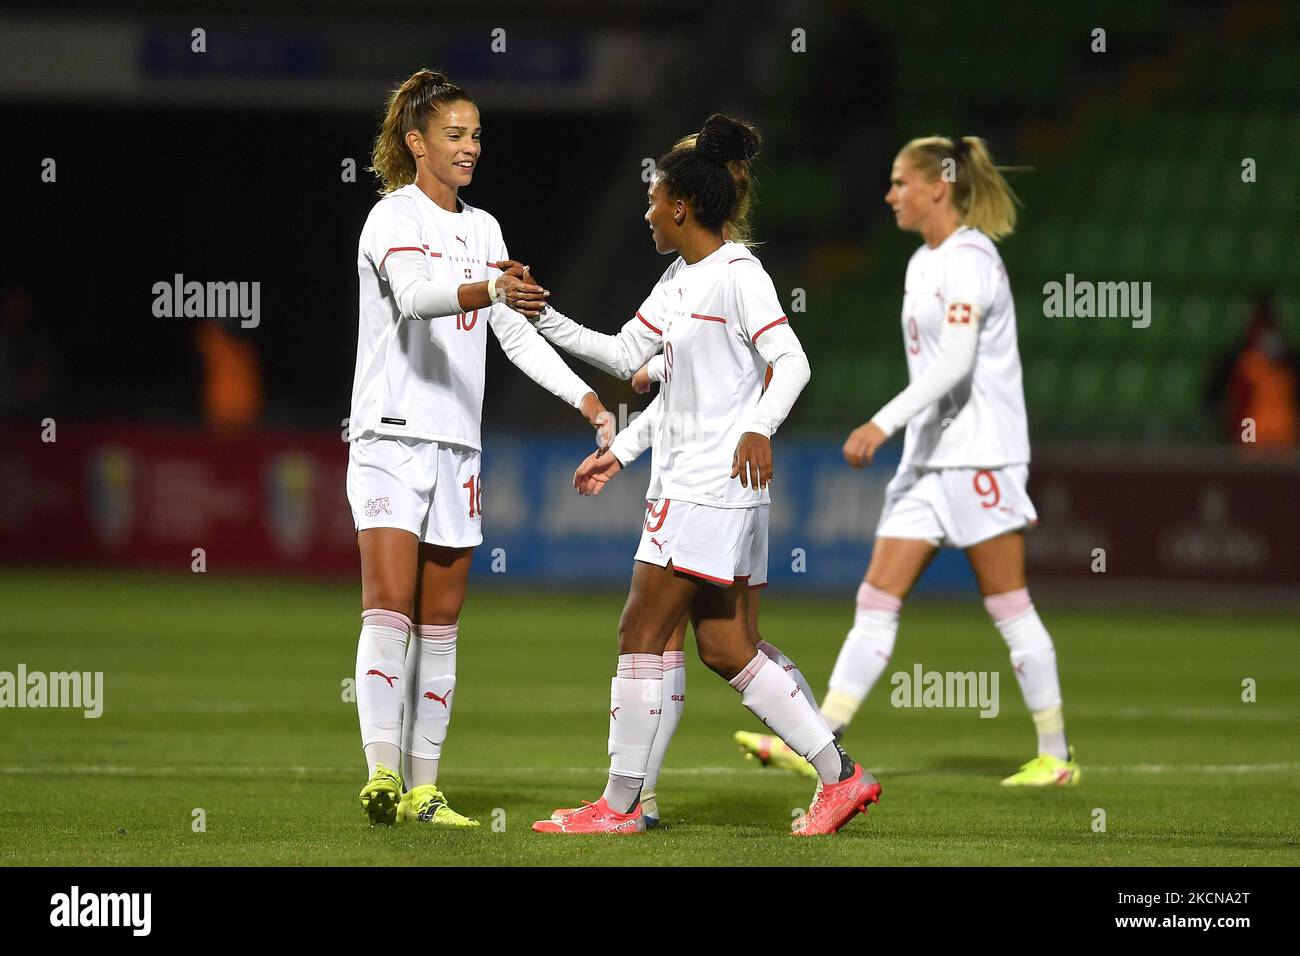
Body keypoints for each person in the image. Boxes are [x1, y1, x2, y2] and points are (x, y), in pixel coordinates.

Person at [528, 114, 881, 835]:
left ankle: (620, 806)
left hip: (707, 488)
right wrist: (543, 314)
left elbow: (794, 362)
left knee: (639, 632)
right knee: (724, 646)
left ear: (680, 206)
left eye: (653, 198)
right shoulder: (680, 277)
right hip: (715, 487)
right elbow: (629, 354)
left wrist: (759, 426)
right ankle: (839, 776)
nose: (647, 210)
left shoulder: (737, 273)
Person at [744, 135, 1079, 787]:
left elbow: (956, 363)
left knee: (1009, 603)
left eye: (900, 182)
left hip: (980, 455)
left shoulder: (972, 259)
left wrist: (881, 421)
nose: (889, 193)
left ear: (938, 187)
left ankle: (1057, 755)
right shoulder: (922, 263)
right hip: (929, 461)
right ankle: (819, 739)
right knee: (876, 597)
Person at [348, 68, 611, 827]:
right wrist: (489, 291)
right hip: (390, 438)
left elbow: (513, 333)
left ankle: (426, 789)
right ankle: (381, 774)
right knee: (389, 606)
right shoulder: (390, 219)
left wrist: (586, 397)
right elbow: (415, 298)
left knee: (442, 623)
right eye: (455, 135)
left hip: (458, 447)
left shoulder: (485, 230)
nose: (470, 148)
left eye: (477, 136)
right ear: (416, 142)